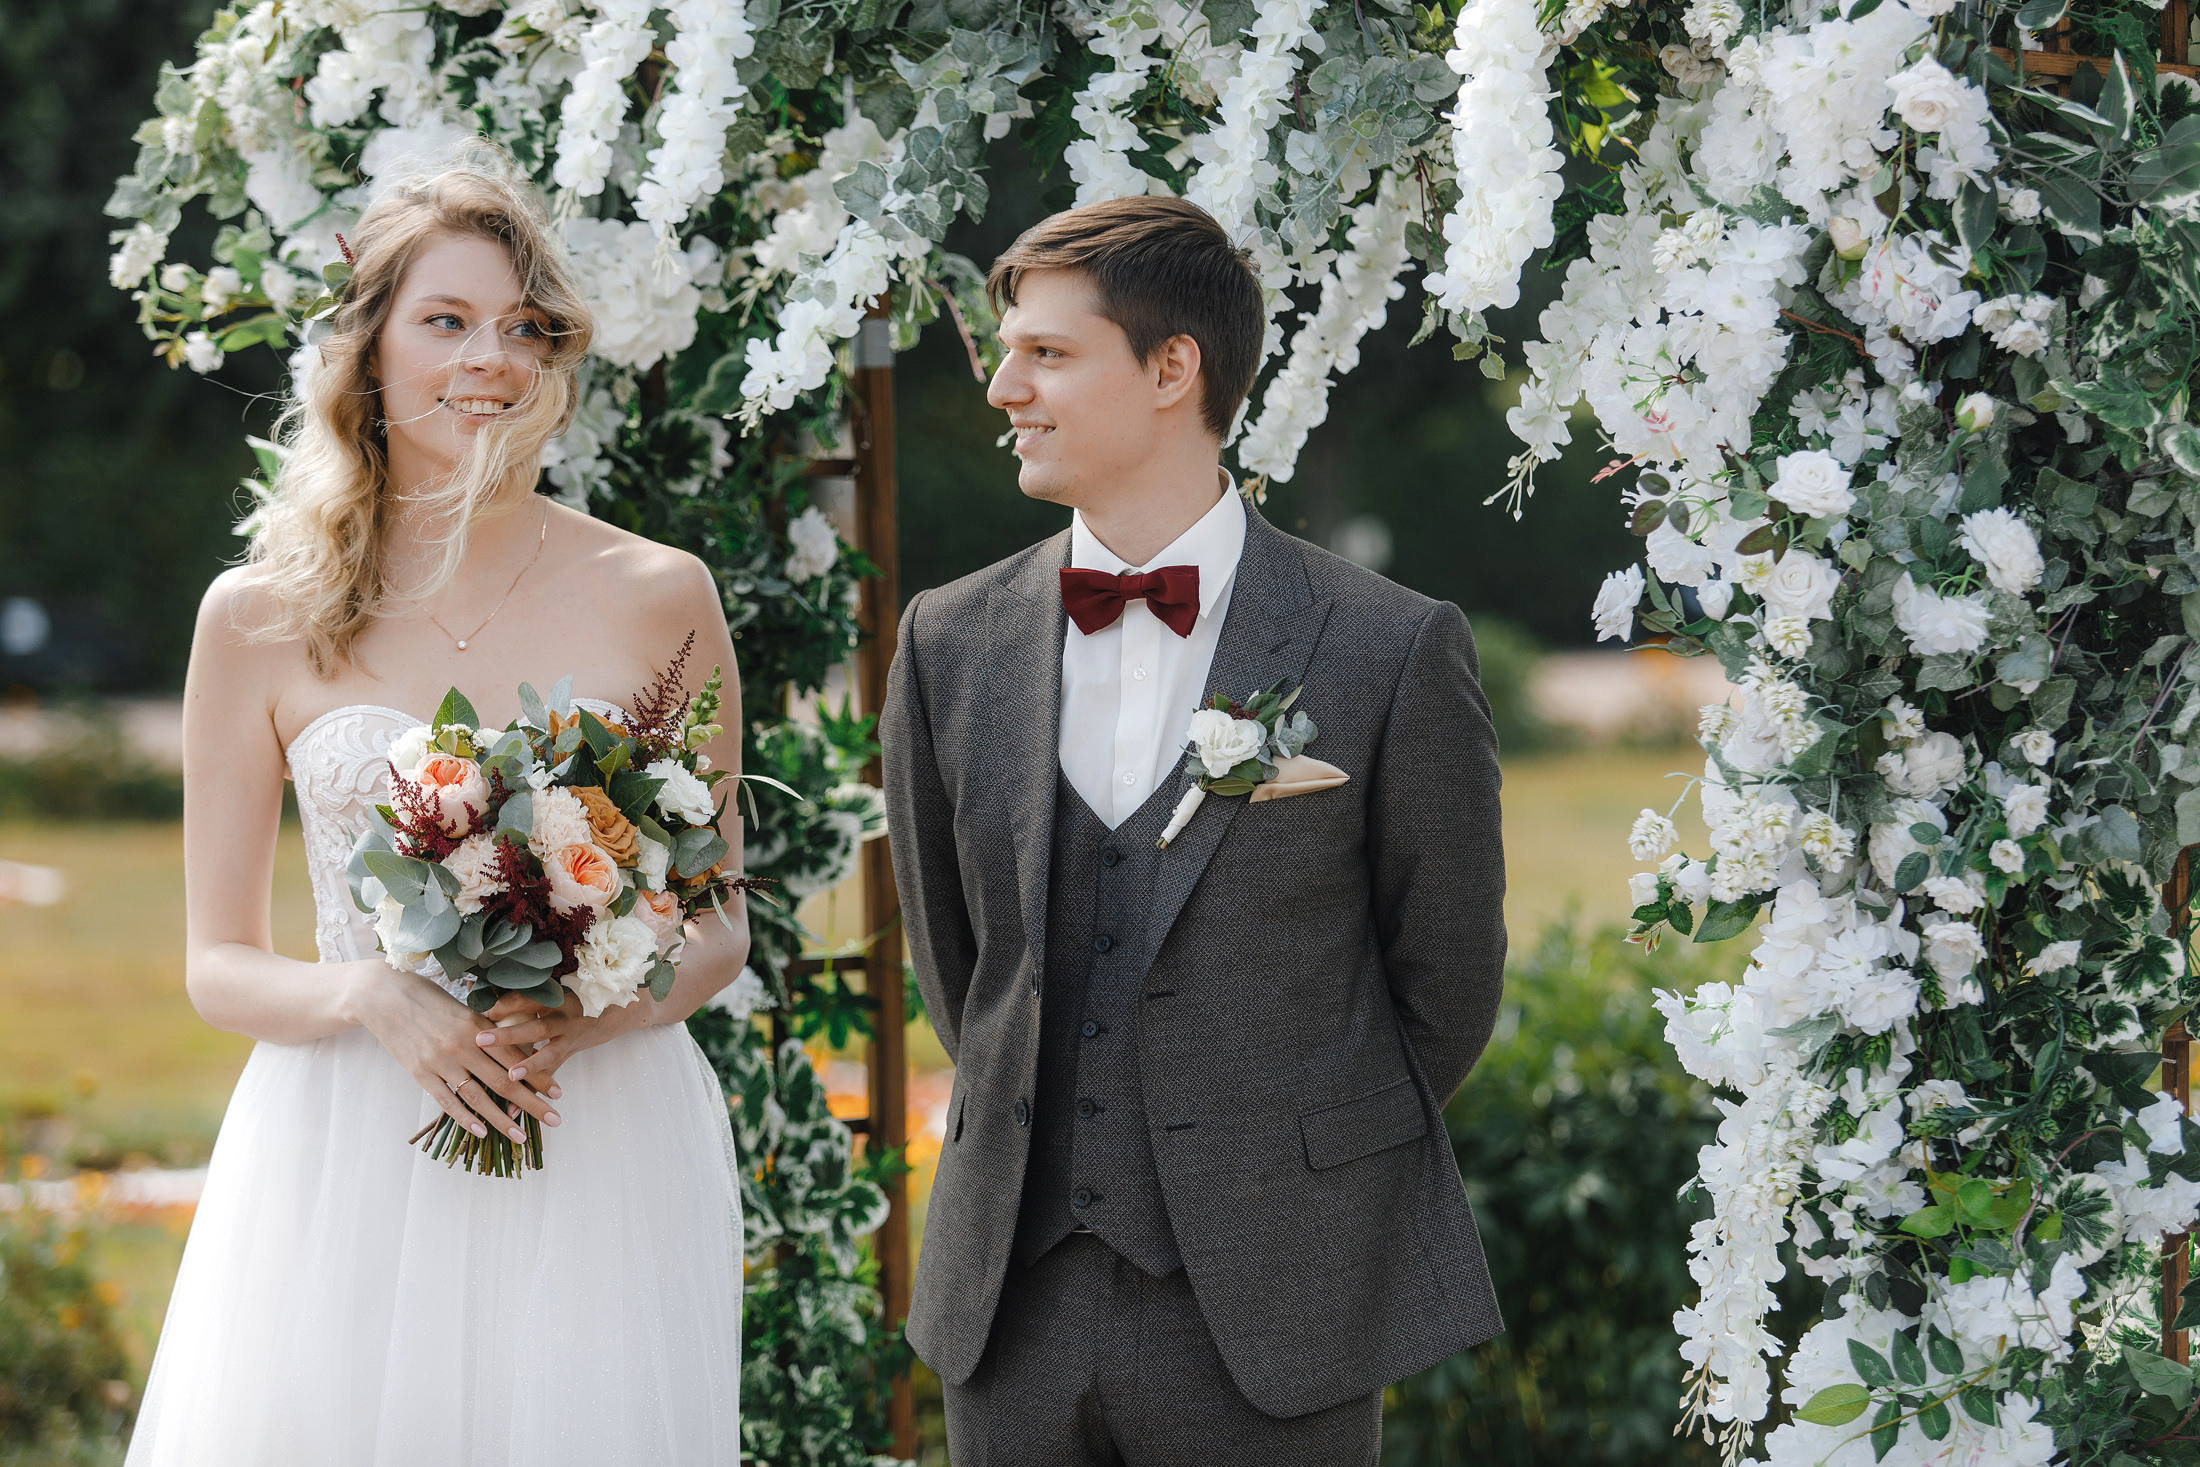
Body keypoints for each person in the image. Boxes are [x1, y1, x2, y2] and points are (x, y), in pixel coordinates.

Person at [126, 153, 748, 1465]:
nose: (492, 359)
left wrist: (584, 1016)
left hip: (596, 1126)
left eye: (525, 327)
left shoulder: (659, 592)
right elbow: (219, 963)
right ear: (367, 349)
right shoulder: (258, 617)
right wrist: (368, 996)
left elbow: (717, 920)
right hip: (347, 1140)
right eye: (447, 321)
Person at [880, 195, 1509, 1465]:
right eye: (1009, 354)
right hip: (1012, 1305)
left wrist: (1277, 1154)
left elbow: (1444, 988)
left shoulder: (1387, 646)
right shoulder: (946, 642)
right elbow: (959, 970)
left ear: (1174, 369)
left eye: (1047, 354)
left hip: (1278, 1306)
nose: (1004, 388)